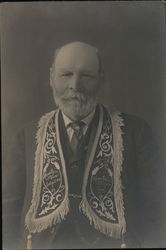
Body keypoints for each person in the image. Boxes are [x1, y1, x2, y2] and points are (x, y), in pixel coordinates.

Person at [3, 41, 166, 249]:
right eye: (66, 75)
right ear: (51, 78)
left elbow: (158, 216)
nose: (75, 85)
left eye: (86, 75)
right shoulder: (26, 137)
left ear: (101, 79)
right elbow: (7, 215)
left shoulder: (137, 134)